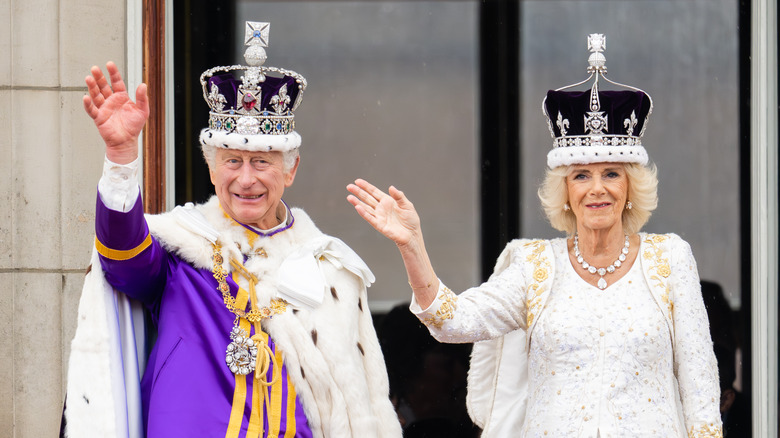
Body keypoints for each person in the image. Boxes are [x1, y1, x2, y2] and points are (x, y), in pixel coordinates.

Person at [347, 34, 723, 438]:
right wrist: (412, 244)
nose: (597, 188)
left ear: (631, 186)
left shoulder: (669, 259)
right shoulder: (535, 267)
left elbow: (700, 390)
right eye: (582, 175)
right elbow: (451, 321)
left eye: (611, 173)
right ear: (566, 191)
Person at [63, 21, 402, 438]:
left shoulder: (329, 269)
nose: (245, 180)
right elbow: (122, 259)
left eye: (261, 162)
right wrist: (120, 158)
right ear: (210, 168)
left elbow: (354, 408)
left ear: (290, 169)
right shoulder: (181, 251)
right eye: (232, 161)